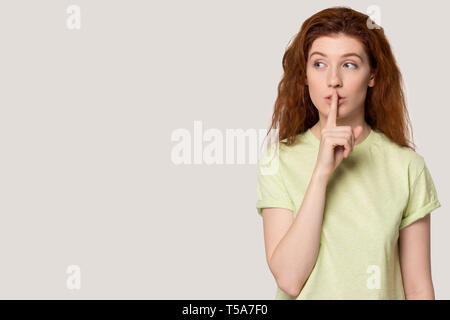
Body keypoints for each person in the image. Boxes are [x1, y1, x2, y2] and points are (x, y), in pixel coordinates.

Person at [255, 6, 441, 300]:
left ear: (372, 75)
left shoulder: (407, 167)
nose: (333, 80)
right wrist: (321, 172)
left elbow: (418, 288)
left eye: (349, 65)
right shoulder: (278, 161)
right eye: (319, 64)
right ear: (304, 75)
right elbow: (290, 279)